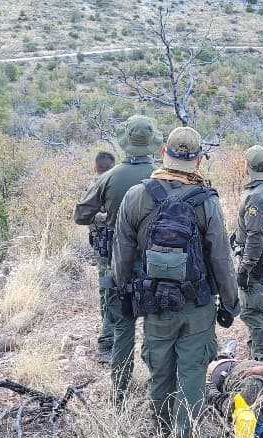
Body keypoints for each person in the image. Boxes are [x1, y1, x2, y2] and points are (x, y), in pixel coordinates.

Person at [112, 126, 239, 438]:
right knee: (193, 371)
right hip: (197, 304)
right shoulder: (207, 202)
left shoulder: (137, 196)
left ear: (163, 154)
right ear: (197, 162)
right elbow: (221, 258)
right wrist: (230, 302)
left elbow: (122, 252)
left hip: (155, 302)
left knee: (160, 369)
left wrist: (123, 291)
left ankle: (164, 431)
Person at [73, 115, 162, 404]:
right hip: (157, 262)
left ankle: (119, 393)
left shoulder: (109, 177)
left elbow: (81, 215)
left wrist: (106, 216)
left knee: (122, 325)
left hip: (118, 261)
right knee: (155, 323)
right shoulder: (163, 176)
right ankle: (158, 390)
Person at [233, 145, 263, 363]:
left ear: (247, 166)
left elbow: (256, 235)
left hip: (256, 259)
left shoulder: (258, 196)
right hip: (261, 255)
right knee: (254, 307)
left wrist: (246, 267)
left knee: (251, 311)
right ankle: (256, 353)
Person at [79, 151, 117, 363]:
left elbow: (84, 215)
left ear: (95, 168)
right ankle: (107, 340)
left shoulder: (94, 188)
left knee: (108, 291)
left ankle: (108, 338)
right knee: (109, 290)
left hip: (106, 246)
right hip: (107, 246)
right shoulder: (112, 186)